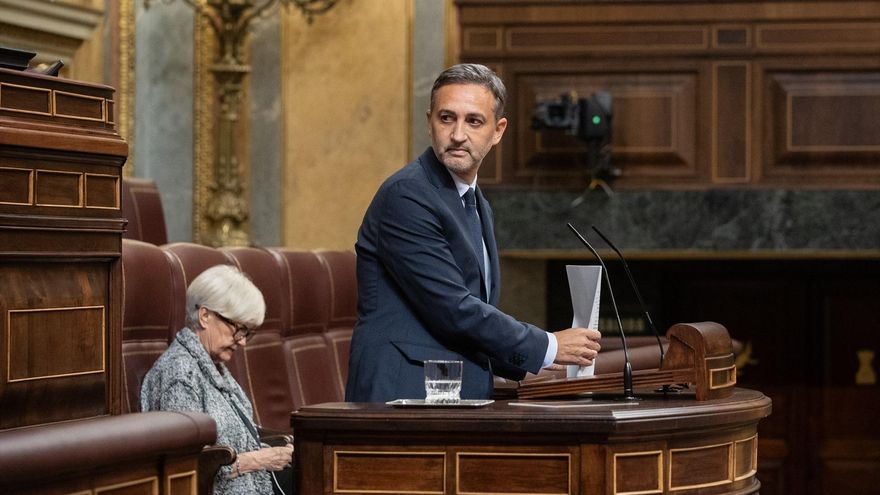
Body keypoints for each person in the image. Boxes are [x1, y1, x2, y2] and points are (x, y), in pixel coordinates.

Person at [345, 63, 602, 403]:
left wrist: (537, 361)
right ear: (429, 122)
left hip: (450, 394)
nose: (457, 135)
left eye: (474, 121)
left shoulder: (475, 202)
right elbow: (453, 309)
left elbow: (468, 314)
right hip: (401, 398)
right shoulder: (407, 195)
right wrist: (548, 346)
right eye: (446, 118)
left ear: (498, 131)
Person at [141, 265, 293, 495]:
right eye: (239, 329)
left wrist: (278, 451)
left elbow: (239, 438)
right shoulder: (179, 373)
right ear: (205, 316)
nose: (242, 342)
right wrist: (260, 460)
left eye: (248, 333)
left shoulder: (213, 366)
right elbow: (187, 467)